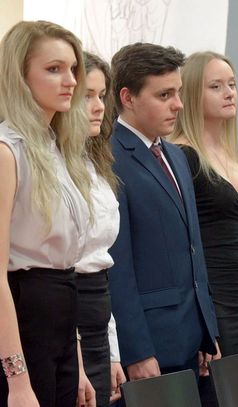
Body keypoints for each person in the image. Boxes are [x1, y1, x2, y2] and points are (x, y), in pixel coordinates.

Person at [107, 43, 219, 384]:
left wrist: (206, 329)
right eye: (164, 95)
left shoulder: (177, 155)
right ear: (128, 98)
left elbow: (193, 247)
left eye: (178, 92)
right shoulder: (109, 157)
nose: (178, 104)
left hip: (190, 334)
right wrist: (137, 350)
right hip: (150, 342)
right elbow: (117, 266)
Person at [0, 21, 92, 407]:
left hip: (61, 318)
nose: (70, 81)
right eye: (54, 69)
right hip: (22, 319)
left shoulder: (58, 149)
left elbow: (64, 271)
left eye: (73, 69)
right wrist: (17, 382)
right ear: (20, 76)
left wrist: (78, 363)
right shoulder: (7, 151)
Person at [168, 50, 238, 406]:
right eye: (216, 86)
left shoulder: (230, 151)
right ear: (193, 93)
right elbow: (181, 247)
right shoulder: (182, 155)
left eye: (232, 85)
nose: (229, 93)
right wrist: (201, 323)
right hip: (209, 302)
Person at [74, 51, 126, 407]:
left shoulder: (95, 161)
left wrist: (112, 351)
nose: (98, 107)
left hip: (98, 317)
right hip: (66, 322)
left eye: (102, 96)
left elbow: (101, 263)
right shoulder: (49, 163)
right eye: (87, 96)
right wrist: (75, 358)